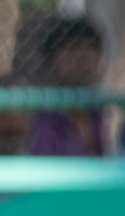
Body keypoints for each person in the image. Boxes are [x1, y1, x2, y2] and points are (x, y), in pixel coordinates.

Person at [28, 18, 110, 156]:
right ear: (50, 58)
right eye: (73, 47)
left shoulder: (99, 113)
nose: (85, 55)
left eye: (93, 47)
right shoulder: (34, 116)